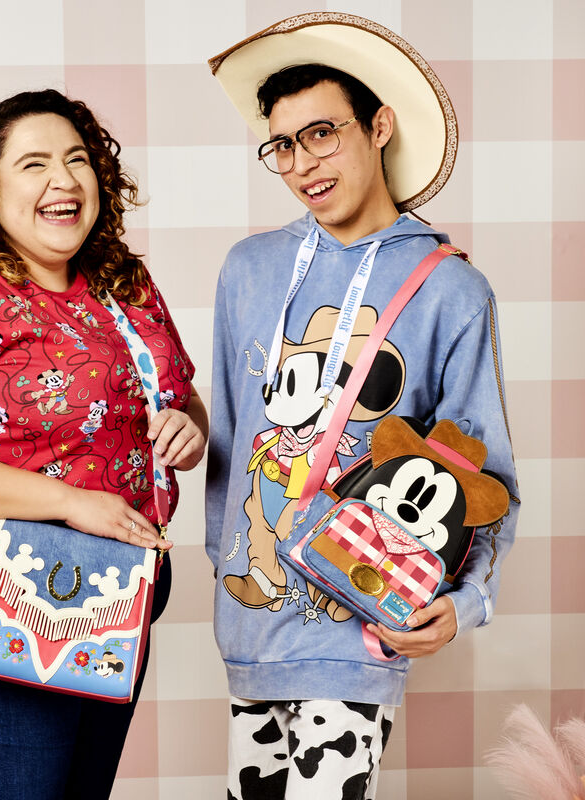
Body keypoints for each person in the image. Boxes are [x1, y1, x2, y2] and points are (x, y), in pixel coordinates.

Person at [205, 14, 519, 799]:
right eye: (282, 145)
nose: (302, 164)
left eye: (322, 134)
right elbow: (231, 437)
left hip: (359, 624)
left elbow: (486, 473)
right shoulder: (248, 269)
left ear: (379, 127)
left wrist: (468, 602)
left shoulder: (451, 288)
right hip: (251, 623)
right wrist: (230, 561)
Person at [0, 89, 208, 799]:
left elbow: (179, 398)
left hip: (113, 584)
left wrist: (188, 426)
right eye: (34, 164)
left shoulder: (124, 284)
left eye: (78, 160)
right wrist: (71, 503)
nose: (64, 179)